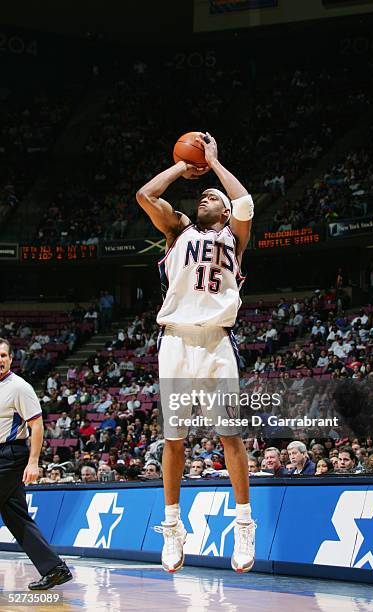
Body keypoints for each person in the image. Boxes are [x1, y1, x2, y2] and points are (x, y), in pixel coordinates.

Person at [136, 131, 255, 574]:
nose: (204, 197)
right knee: (174, 438)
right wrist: (184, 168)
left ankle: (244, 523)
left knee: (230, 436)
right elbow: (146, 195)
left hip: (217, 341)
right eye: (201, 195)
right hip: (176, 341)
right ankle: (172, 525)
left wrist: (216, 164)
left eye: (212, 197)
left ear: (223, 211)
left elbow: (244, 204)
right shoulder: (177, 230)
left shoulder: (235, 236)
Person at [0, 338, 72, 590]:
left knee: (15, 516)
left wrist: (33, 462)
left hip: (10, 456)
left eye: (3, 355)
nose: (0, 360)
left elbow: (37, 424)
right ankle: (54, 569)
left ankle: (54, 569)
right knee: (16, 517)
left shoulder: (19, 387)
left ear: (10, 359)